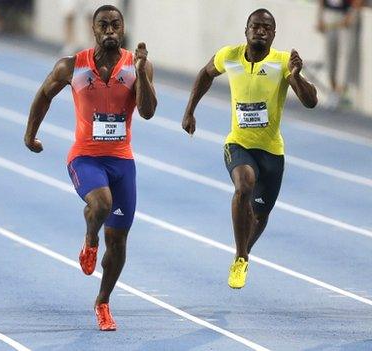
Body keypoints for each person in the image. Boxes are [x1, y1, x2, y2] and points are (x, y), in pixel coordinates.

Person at [24, 5, 157, 331]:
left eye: (116, 25)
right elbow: (43, 95)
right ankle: (89, 240)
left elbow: (148, 111)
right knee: (101, 203)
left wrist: (141, 72)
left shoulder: (137, 65)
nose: (110, 30)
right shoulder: (72, 66)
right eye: (104, 26)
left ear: (123, 29)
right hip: (85, 157)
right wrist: (30, 135)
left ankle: (103, 302)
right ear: (94, 30)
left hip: (122, 162)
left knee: (120, 241)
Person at [182, 8, 317, 290]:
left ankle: (242, 253)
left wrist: (297, 76)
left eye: (267, 28)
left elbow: (310, 101)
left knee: (260, 215)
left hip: (271, 152)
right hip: (238, 143)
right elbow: (205, 75)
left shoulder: (282, 63)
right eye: (255, 26)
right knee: (244, 186)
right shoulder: (229, 56)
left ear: (274, 35)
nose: (261, 31)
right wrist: (190, 111)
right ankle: (241, 256)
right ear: (246, 31)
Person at [316, 0, 363, 108]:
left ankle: (341, 91)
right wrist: (319, 17)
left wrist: (351, 15)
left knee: (346, 55)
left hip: (346, 14)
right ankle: (333, 89)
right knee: (330, 54)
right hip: (330, 14)